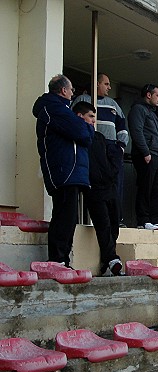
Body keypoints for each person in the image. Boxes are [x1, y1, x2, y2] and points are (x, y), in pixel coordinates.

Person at [32, 74, 95, 267]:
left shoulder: (61, 109)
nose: (73, 93)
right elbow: (82, 133)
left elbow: (84, 134)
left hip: (69, 170)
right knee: (64, 216)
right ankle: (58, 259)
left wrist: (85, 129)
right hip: (63, 170)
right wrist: (86, 128)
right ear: (63, 90)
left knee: (69, 217)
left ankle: (62, 260)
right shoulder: (53, 107)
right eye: (71, 90)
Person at [73, 101, 123, 276]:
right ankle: (112, 259)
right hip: (93, 190)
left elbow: (111, 156)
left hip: (109, 186)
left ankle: (107, 261)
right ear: (81, 116)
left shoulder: (99, 137)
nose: (94, 121)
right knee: (103, 224)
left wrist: (112, 170)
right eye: (91, 117)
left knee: (114, 223)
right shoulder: (77, 138)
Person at [72, 74, 128, 227]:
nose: (109, 87)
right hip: (90, 146)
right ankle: (85, 219)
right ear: (97, 84)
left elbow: (122, 126)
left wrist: (121, 147)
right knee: (92, 184)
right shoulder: (82, 100)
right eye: (106, 84)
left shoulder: (113, 104)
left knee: (114, 184)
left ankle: (116, 219)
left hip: (111, 148)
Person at [128, 83, 158, 231]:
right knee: (146, 187)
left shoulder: (152, 112)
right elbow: (137, 131)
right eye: (157, 95)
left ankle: (155, 219)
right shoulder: (138, 109)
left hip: (157, 155)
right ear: (148, 95)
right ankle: (143, 219)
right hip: (146, 154)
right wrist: (145, 152)